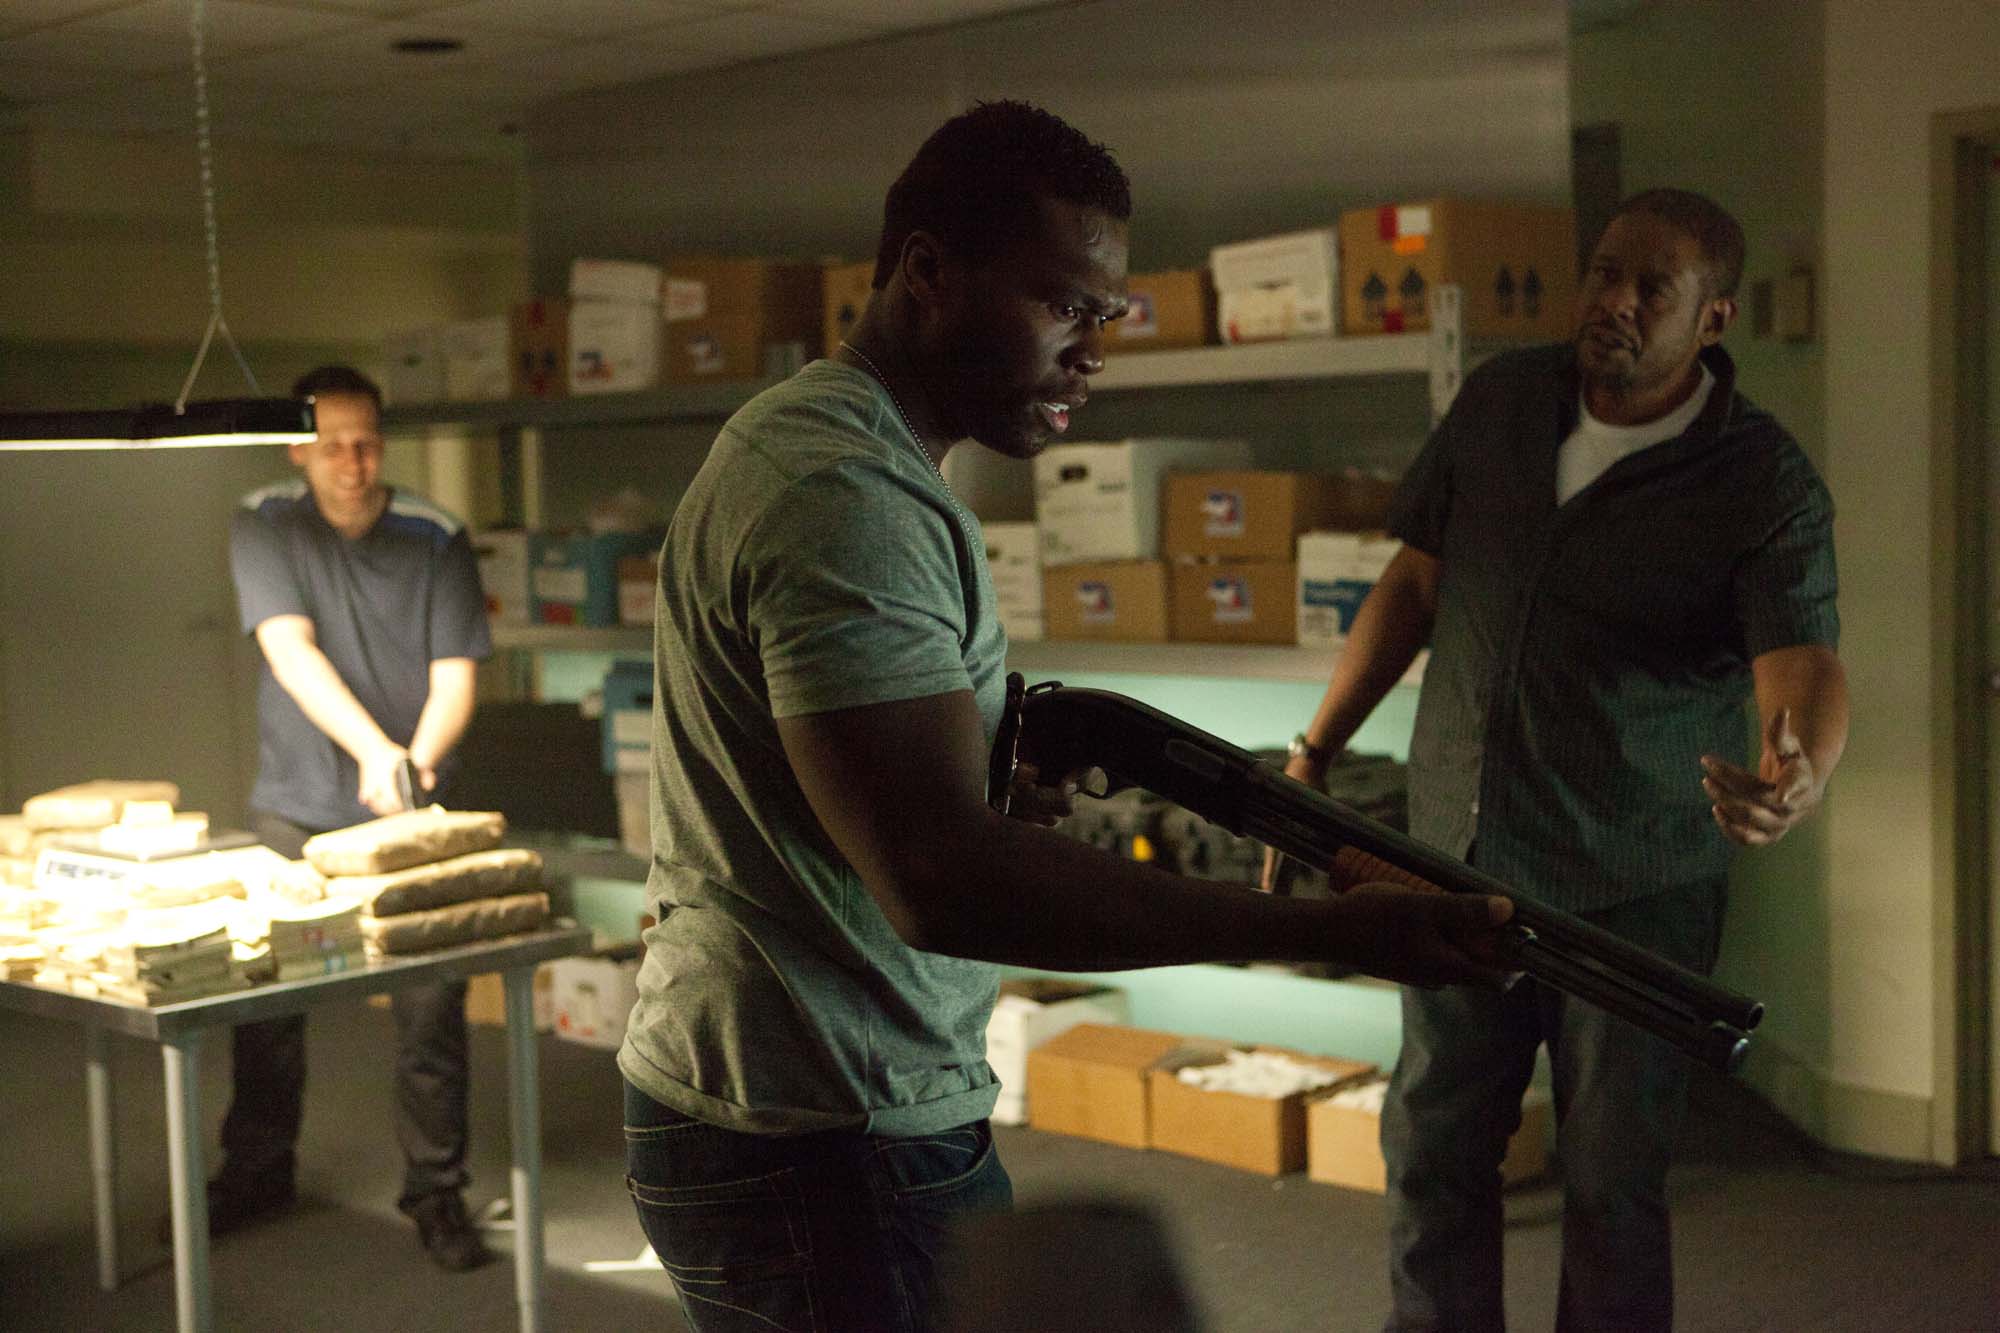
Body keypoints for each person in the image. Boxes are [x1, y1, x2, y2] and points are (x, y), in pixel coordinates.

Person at [618, 99, 1525, 1333]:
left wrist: (983, 776)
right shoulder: (846, 497)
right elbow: (938, 883)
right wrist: (1313, 931)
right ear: (927, 272)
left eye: (1106, 316)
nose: (1093, 352)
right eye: (1060, 305)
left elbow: (868, 804)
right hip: (824, 1128)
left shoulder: (834, 454)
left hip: (805, 1101)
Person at [1263, 188, 1848, 1331]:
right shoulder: (1499, 402)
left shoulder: (1759, 479)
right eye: (1601, 272)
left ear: (1712, 318)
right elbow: (1414, 583)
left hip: (1630, 882)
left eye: (1650, 288)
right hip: (1453, 854)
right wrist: (1314, 749)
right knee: (1430, 1152)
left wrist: (1799, 774)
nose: (1612, 301)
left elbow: (1800, 659)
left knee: (1609, 1181)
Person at [206, 364, 495, 1270]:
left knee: (430, 1006)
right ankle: (257, 1170)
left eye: (366, 441)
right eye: (331, 444)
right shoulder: (263, 520)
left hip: (408, 809)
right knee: (268, 1001)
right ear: (299, 448)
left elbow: (457, 674)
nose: (352, 461)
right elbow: (289, 649)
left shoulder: (437, 535)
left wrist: (415, 762)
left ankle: (436, 1190)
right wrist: (375, 750)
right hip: (296, 804)